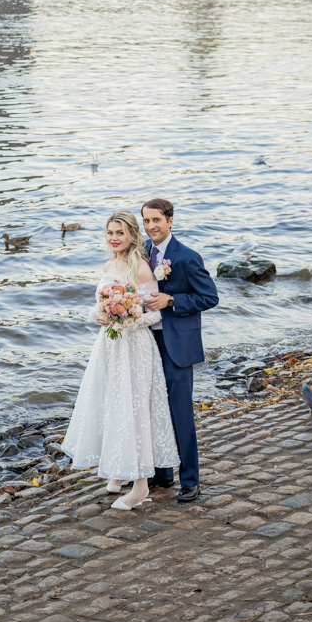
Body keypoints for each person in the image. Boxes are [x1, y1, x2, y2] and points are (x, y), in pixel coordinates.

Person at [61, 210, 179, 511]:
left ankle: (140, 486)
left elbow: (154, 313)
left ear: (132, 236)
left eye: (120, 233)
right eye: (110, 233)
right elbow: (99, 305)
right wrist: (104, 314)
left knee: (134, 408)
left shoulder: (140, 268)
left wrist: (128, 318)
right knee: (110, 403)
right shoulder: (109, 263)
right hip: (110, 346)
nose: (114, 238)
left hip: (135, 347)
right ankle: (116, 469)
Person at [141, 198, 218, 502]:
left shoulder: (186, 257)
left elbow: (209, 297)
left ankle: (190, 480)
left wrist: (172, 301)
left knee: (181, 413)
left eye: (156, 220)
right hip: (146, 343)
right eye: (146, 221)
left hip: (177, 345)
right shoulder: (141, 253)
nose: (151, 227)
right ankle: (162, 473)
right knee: (153, 409)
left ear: (170, 220)